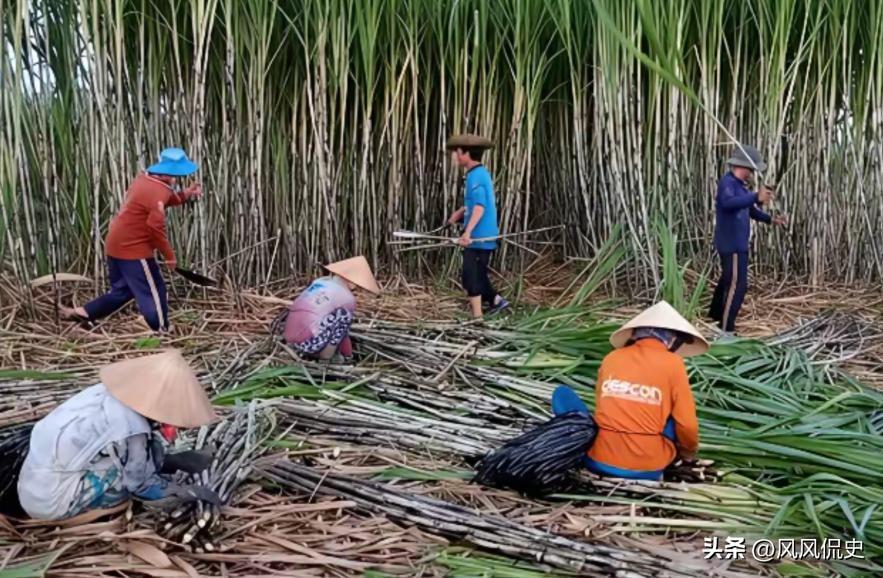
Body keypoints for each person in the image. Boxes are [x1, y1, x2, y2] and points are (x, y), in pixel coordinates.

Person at [17, 350, 218, 520]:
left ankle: (166, 462)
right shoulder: (131, 428)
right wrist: (180, 492)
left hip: (34, 479)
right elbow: (139, 485)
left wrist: (167, 461)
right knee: (129, 482)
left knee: (144, 451)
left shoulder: (103, 393)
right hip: (52, 500)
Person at [550, 301, 708, 481]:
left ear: (635, 334)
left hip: (598, 459)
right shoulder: (673, 364)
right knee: (674, 417)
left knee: (563, 395)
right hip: (648, 467)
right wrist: (687, 452)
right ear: (671, 339)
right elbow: (687, 424)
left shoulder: (612, 358)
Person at [61, 148, 203, 332]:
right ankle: (161, 328)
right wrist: (169, 256)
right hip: (133, 250)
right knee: (154, 290)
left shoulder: (144, 179)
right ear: (169, 173)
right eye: (176, 174)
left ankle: (84, 312)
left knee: (123, 291)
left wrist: (186, 195)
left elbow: (163, 198)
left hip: (115, 244)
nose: (177, 177)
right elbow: (155, 229)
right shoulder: (158, 193)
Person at [708, 144, 786, 334]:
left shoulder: (741, 187)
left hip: (737, 243)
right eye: (751, 169)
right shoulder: (727, 183)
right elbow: (728, 204)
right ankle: (726, 329)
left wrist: (771, 219)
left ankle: (714, 316)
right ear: (742, 166)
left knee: (728, 280)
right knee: (737, 286)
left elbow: (750, 210)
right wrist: (755, 196)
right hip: (732, 244)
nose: (752, 173)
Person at [445, 134, 509, 318]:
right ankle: (496, 300)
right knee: (477, 273)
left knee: (471, 276)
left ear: (466, 154)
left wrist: (467, 232)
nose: (455, 156)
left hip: (480, 237)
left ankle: (477, 318)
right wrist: (461, 212)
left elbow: (480, 207)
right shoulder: (477, 174)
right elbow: (476, 204)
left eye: (457, 152)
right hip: (480, 235)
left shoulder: (476, 176)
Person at [282, 256, 380, 361]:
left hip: (289, 339)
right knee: (343, 316)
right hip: (308, 344)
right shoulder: (348, 299)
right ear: (352, 282)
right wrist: (348, 355)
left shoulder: (319, 282)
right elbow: (343, 333)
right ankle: (326, 356)